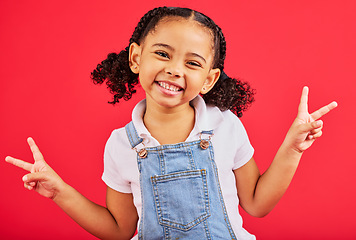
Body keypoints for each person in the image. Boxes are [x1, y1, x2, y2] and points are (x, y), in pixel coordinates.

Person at [5, 6, 337, 240]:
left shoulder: (225, 126)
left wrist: (293, 148)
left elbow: (257, 203)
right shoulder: (122, 144)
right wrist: (60, 192)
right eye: (163, 54)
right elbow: (119, 229)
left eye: (192, 63)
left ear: (209, 79)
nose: (175, 69)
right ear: (137, 57)